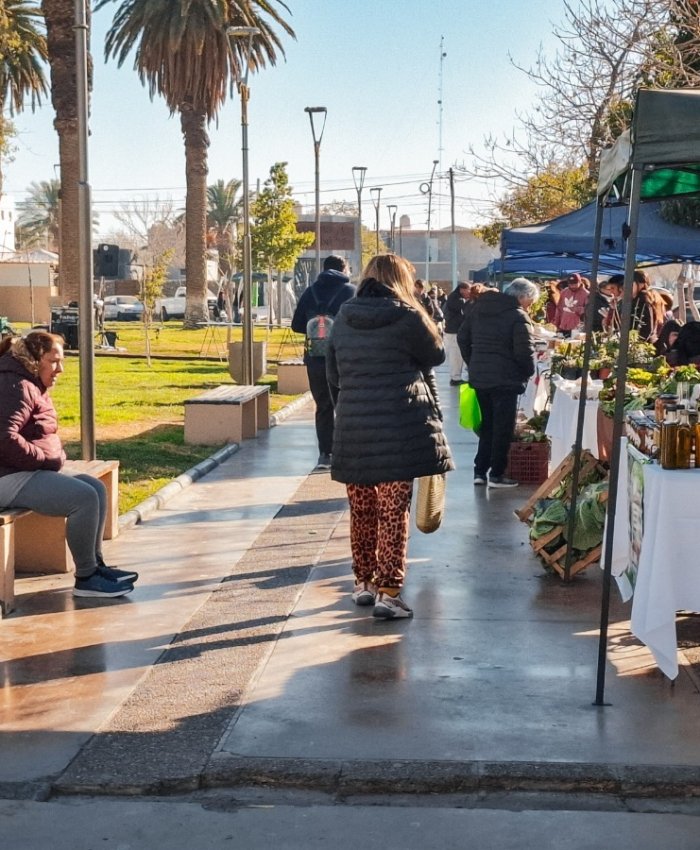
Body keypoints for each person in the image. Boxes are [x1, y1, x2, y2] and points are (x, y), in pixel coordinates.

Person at [326, 254, 454, 619]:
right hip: (400, 427)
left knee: (362, 510)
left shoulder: (344, 317)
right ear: (401, 280)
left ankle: (363, 583)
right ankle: (389, 591)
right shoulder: (409, 316)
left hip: (354, 428)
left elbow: (333, 375)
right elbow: (436, 355)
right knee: (393, 512)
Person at [0, 332, 138, 598]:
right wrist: (45, 459)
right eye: (54, 361)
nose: (60, 369)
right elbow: (4, 438)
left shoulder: (29, 382)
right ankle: (86, 578)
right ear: (34, 359)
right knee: (83, 498)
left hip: (22, 469)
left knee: (95, 488)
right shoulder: (14, 384)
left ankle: (95, 567)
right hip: (7, 476)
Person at [457, 277, 537, 488]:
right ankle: (497, 474)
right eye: (530, 302)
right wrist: (527, 372)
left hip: (481, 376)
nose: (530, 306)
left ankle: (480, 471)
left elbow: (462, 338)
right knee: (503, 427)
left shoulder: (478, 310)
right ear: (522, 297)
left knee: (487, 425)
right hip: (506, 378)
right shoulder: (517, 316)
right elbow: (524, 351)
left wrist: (473, 361)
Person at [291, 255, 355, 469]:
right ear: (344, 269)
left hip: (315, 358)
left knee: (323, 405)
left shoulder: (310, 292)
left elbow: (296, 325)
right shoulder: (350, 292)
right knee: (345, 404)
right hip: (344, 357)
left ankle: (325, 454)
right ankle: (346, 452)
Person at [443, 281, 471, 385]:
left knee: (457, 355)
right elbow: (463, 310)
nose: (469, 293)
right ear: (462, 289)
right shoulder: (456, 298)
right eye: (468, 290)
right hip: (453, 331)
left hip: (453, 330)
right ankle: (455, 378)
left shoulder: (455, 297)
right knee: (456, 355)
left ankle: (456, 376)